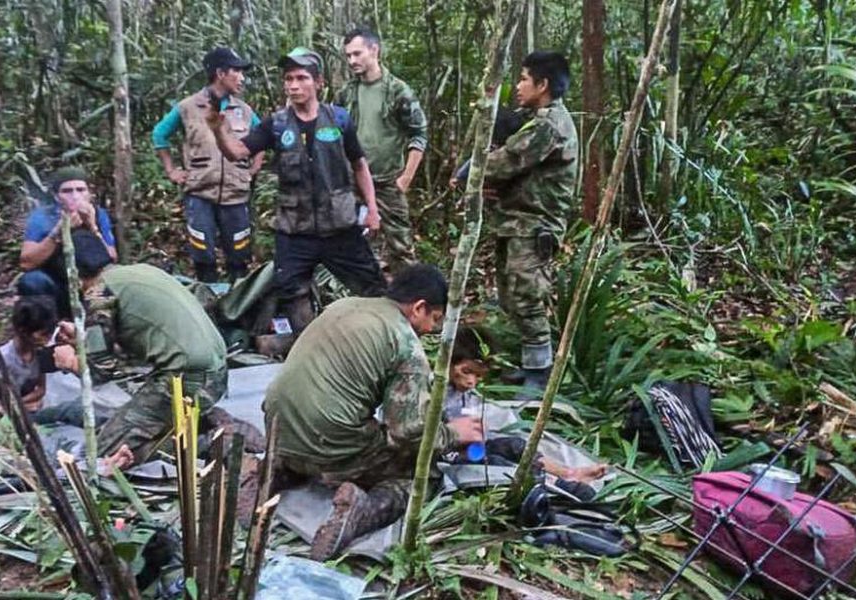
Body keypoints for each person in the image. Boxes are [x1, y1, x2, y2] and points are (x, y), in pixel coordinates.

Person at [259, 265, 485, 560]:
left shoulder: (344, 305)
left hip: (276, 428)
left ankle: (277, 470)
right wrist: (455, 432)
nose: (430, 330)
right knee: (422, 477)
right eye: (434, 319)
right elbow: (407, 433)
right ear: (419, 307)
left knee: (330, 426)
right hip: (329, 442)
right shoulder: (405, 344)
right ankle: (361, 511)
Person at [207, 47, 387, 334]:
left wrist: (372, 210)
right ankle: (310, 343)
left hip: (340, 226)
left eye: (301, 78)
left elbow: (359, 165)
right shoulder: (276, 125)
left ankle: (379, 340)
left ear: (319, 83)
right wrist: (218, 129)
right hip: (295, 230)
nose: (293, 85)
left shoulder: (339, 119)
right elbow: (237, 152)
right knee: (291, 290)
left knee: (373, 288)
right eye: (288, 79)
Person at [51, 233, 230, 464]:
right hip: (216, 372)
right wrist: (84, 339)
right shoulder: (140, 271)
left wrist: (71, 362)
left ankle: (204, 445)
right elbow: (137, 340)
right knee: (128, 422)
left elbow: (101, 372)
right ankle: (194, 427)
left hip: (186, 380)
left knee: (101, 453)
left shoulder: (99, 293)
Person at [481, 51, 578, 399]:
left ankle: (540, 374)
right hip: (516, 220)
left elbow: (505, 162)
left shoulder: (549, 125)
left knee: (528, 297)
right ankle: (530, 364)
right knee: (510, 295)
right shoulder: (534, 118)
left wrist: (470, 172)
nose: (518, 86)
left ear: (543, 84)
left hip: (534, 225)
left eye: (524, 79)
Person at [152, 47, 263, 283]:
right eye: (237, 71)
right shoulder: (187, 107)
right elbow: (159, 135)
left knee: (239, 255)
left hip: (236, 195)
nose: (242, 78)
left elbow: (262, 138)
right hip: (200, 193)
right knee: (203, 254)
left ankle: (238, 306)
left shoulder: (244, 110)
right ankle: (206, 303)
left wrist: (253, 169)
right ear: (221, 73)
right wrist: (172, 170)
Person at [443, 330, 607, 489]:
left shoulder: (465, 394)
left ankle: (567, 473)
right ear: (448, 362)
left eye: (479, 376)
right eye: (466, 371)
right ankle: (555, 485)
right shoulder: (433, 392)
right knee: (498, 464)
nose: (471, 381)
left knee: (516, 445)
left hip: (470, 449)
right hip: (447, 455)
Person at [337, 27, 428, 275]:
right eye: (348, 56)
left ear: (374, 50)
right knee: (354, 246)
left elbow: (419, 133)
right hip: (354, 183)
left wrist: (405, 179)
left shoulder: (398, 91)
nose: (352, 61)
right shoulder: (346, 93)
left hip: (388, 182)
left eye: (357, 54)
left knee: (401, 248)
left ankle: (409, 303)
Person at [18, 166, 117, 318]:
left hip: (92, 284)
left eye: (80, 190)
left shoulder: (98, 214)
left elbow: (112, 258)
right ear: (57, 196)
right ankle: (49, 328)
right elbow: (26, 263)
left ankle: (100, 323)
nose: (75, 196)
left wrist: (92, 227)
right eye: (67, 191)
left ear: (89, 193)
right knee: (32, 281)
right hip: (57, 283)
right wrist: (57, 233)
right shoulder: (43, 217)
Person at [0, 295, 84, 426]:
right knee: (69, 411)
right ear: (23, 331)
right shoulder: (3, 360)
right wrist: (21, 407)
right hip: (11, 421)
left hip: (30, 410)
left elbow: (41, 390)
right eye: (43, 334)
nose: (48, 339)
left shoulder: (39, 353)